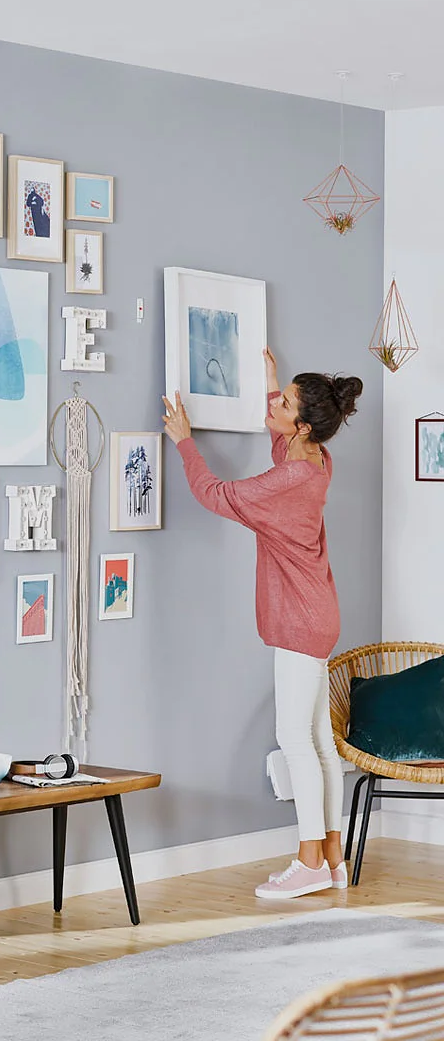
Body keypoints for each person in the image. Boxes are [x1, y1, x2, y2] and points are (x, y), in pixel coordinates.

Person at [162, 349, 363, 900]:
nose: (274, 406)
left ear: (303, 425)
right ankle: (333, 857)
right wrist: (274, 382)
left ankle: (309, 863)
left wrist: (184, 441)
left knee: (295, 739)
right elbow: (282, 445)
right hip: (318, 614)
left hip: (299, 621)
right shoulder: (316, 459)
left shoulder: (291, 477)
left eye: (285, 404)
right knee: (319, 740)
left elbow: (216, 494)